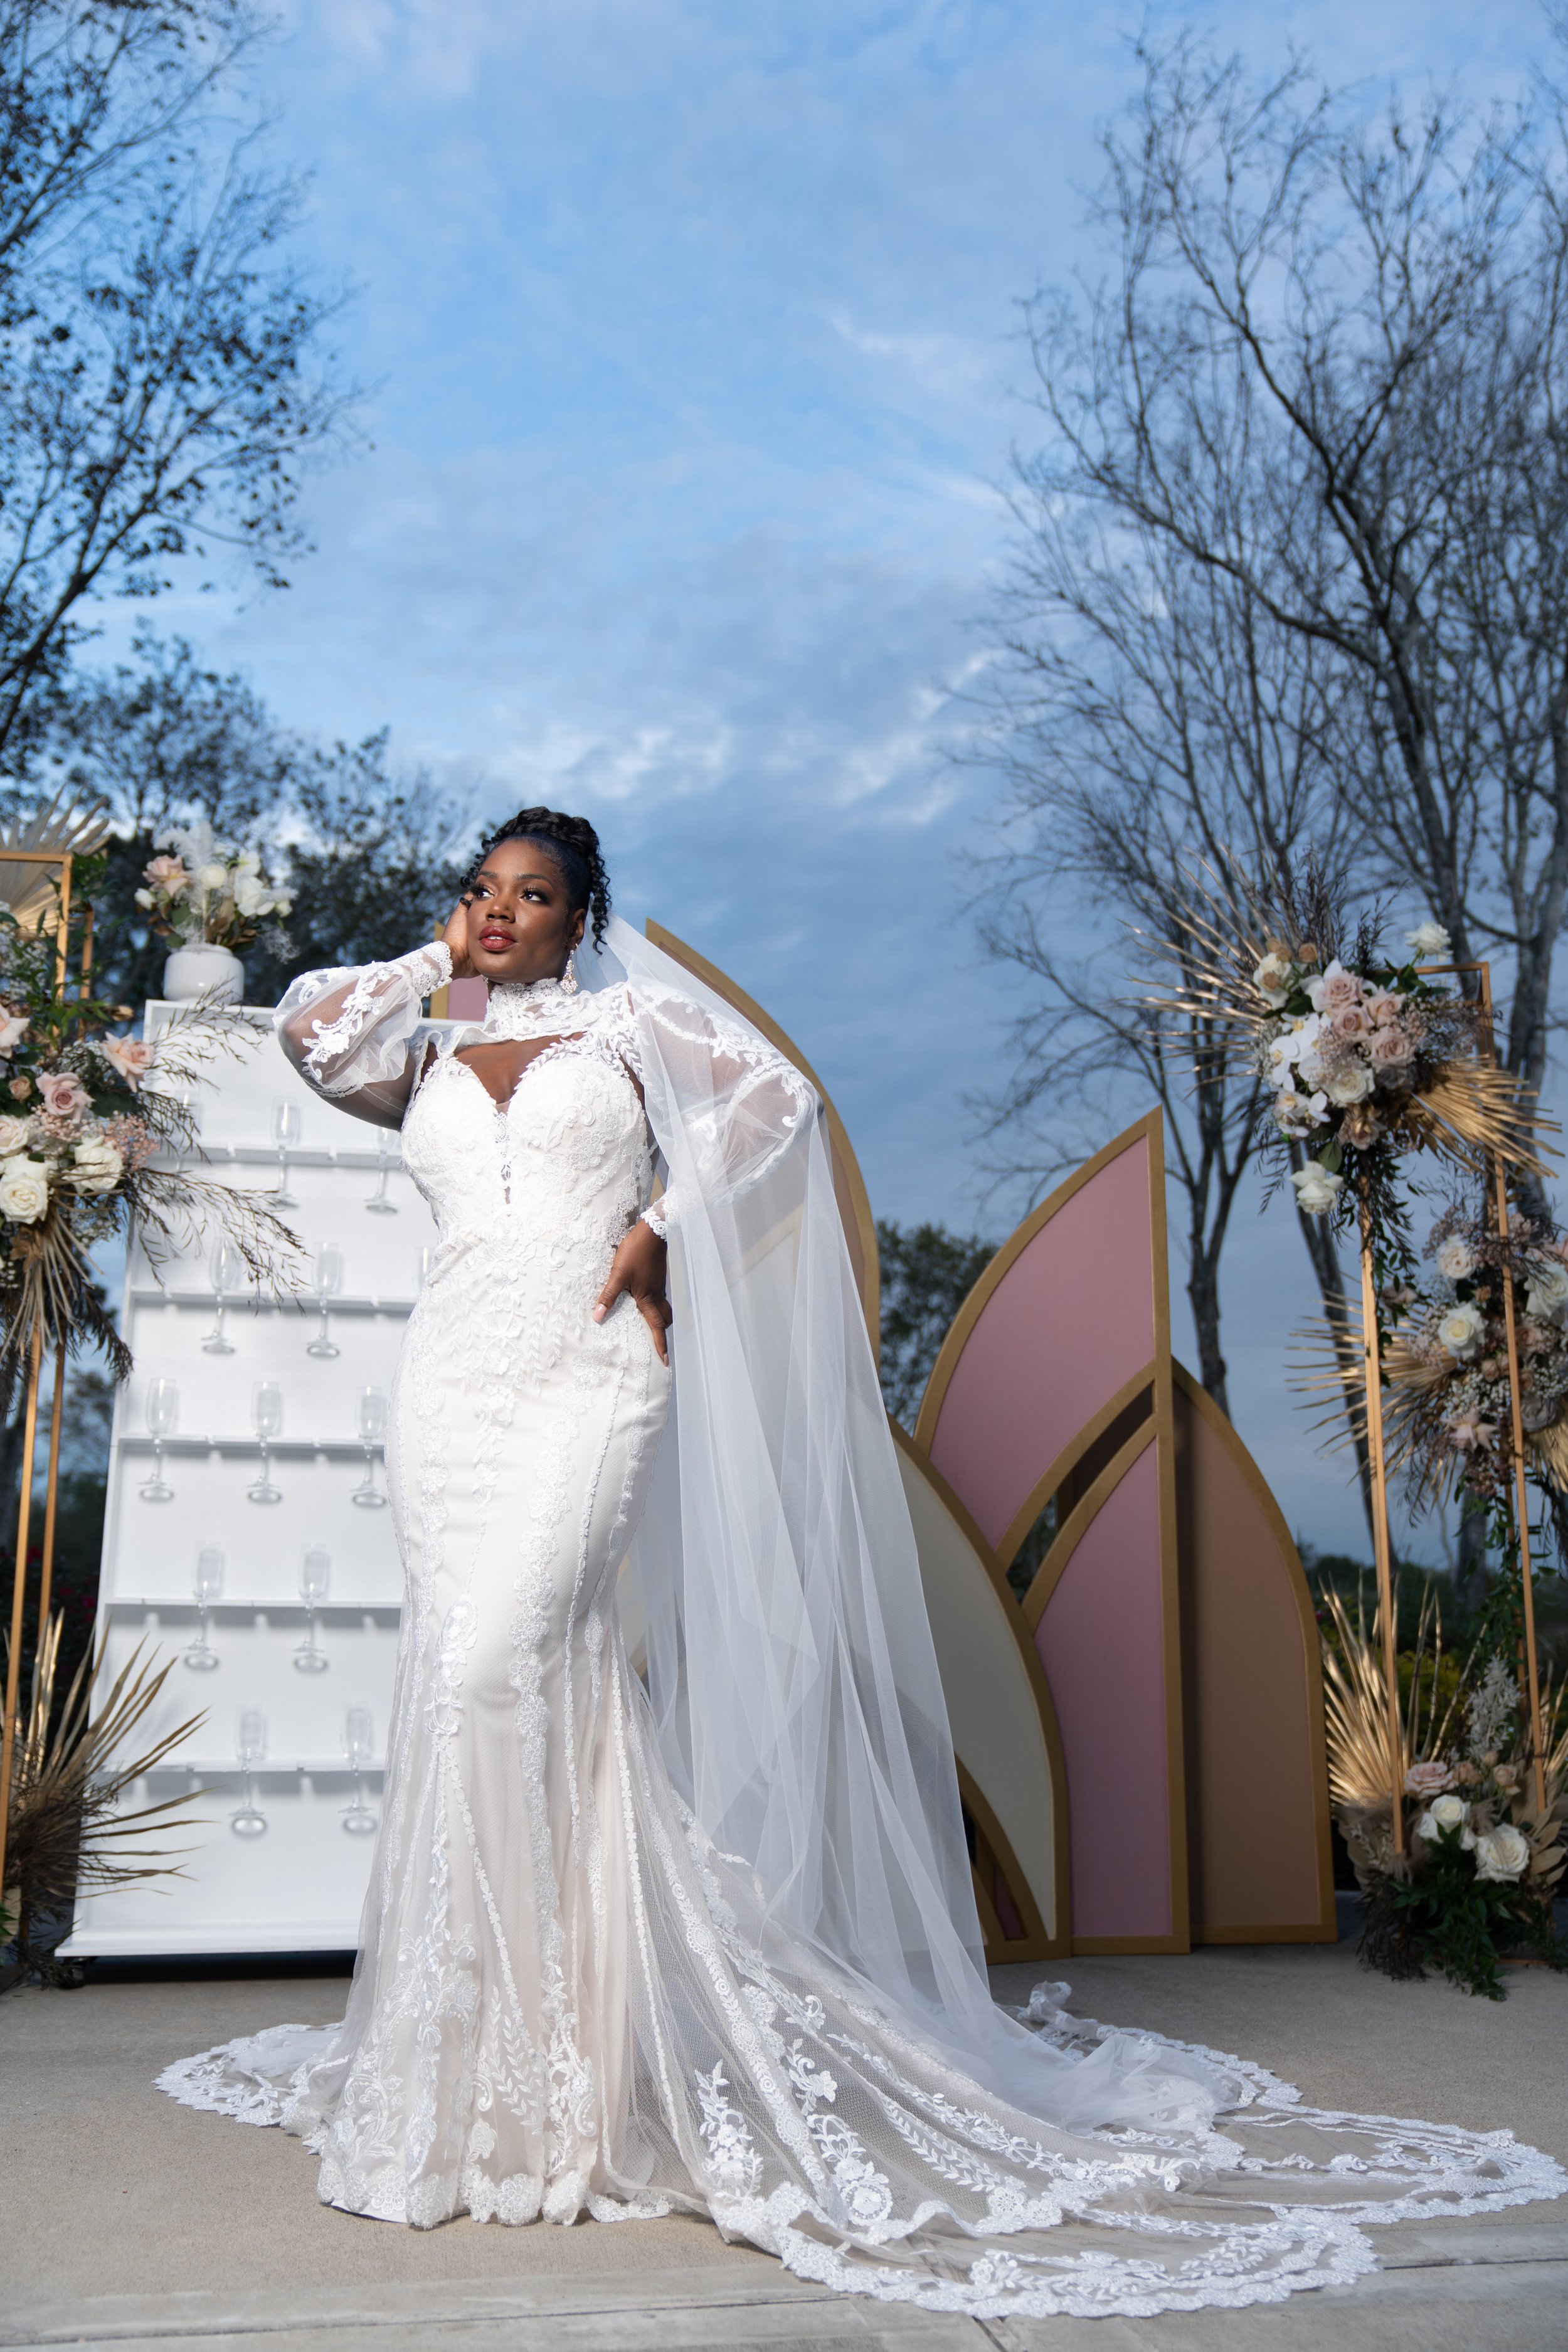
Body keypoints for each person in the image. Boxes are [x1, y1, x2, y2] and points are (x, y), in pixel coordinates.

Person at [160, 808, 1564, 2321]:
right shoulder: (426, 1039)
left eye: (533, 896)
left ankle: (563, 2056)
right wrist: (439, 959)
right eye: (480, 891)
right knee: (476, 1684)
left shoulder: (630, 1027)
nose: (500, 913)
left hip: (584, 1378)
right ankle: (504, 2047)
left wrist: (661, 1228)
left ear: (586, 919)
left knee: (506, 1660)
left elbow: (780, 1113)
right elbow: (312, 1038)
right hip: (443, 1399)